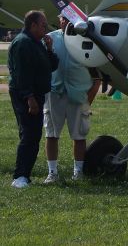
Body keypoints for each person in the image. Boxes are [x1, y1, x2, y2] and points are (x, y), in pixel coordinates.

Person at [43, 15, 101, 183]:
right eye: (63, 18)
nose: (66, 22)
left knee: (79, 135)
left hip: (78, 94)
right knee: (51, 134)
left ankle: (78, 172)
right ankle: (52, 173)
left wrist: (89, 97)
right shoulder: (50, 39)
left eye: (70, 19)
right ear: (59, 20)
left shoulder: (87, 40)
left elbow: (96, 73)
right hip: (54, 93)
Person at [8, 10, 59, 188]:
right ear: (33, 25)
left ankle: (25, 175)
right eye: (43, 25)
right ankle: (20, 176)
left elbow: (52, 66)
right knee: (29, 135)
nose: (46, 28)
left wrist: (50, 48)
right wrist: (30, 98)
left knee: (33, 134)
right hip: (26, 95)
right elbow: (21, 75)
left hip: (36, 94)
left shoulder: (36, 43)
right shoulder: (23, 43)